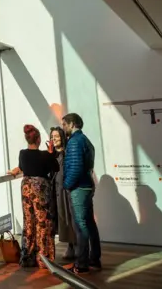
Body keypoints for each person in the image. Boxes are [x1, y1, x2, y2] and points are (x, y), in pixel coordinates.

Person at [8, 124, 59, 268]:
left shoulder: (22, 153)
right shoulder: (44, 155)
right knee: (43, 223)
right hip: (40, 189)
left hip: (26, 187)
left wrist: (15, 170)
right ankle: (44, 259)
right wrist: (51, 152)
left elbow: (22, 167)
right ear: (38, 140)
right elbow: (56, 167)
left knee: (29, 222)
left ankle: (27, 257)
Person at [62, 113, 102, 274]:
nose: (63, 127)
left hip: (79, 188)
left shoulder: (74, 142)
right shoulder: (85, 140)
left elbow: (76, 167)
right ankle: (94, 259)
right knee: (89, 224)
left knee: (81, 226)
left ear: (72, 124)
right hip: (86, 186)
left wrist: (67, 185)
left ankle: (82, 264)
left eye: (64, 124)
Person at [48, 126, 77, 260]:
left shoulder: (67, 153)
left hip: (66, 190)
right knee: (60, 219)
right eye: (52, 137)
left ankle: (74, 246)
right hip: (55, 191)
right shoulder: (51, 154)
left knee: (70, 218)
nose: (54, 139)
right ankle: (70, 246)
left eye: (57, 136)